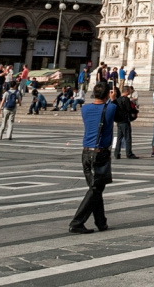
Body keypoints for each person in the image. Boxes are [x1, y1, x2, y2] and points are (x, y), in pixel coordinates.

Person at [69, 82, 115, 234]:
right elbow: (124, 116)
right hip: (99, 154)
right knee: (96, 189)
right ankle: (77, 222)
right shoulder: (111, 108)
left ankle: (101, 222)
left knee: (96, 187)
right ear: (108, 94)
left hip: (86, 153)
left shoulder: (85, 108)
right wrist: (113, 100)